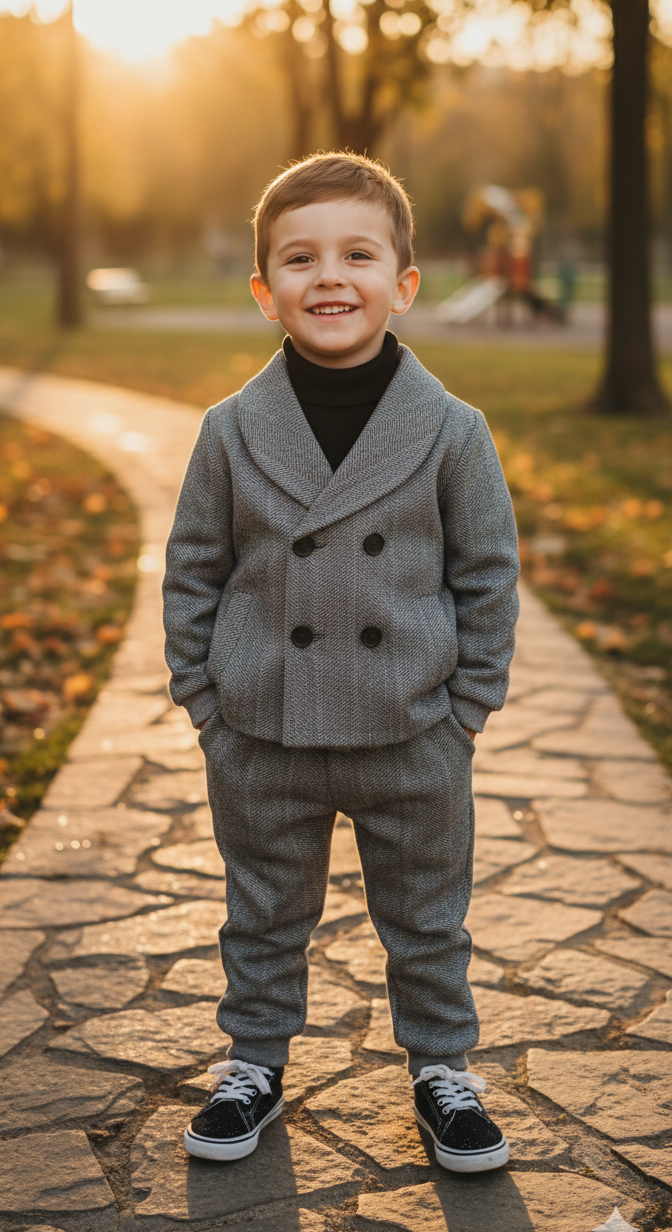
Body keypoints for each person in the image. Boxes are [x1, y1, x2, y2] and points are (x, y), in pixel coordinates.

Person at [162, 152, 519, 1173]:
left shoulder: (454, 431)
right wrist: (206, 701)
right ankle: (254, 1061)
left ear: (403, 283)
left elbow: (488, 573)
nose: (330, 275)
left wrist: (466, 710)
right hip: (263, 727)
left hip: (410, 730)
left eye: (358, 253)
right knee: (264, 908)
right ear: (264, 290)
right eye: (300, 256)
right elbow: (194, 567)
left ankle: (444, 1069)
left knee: (426, 914)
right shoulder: (229, 431)